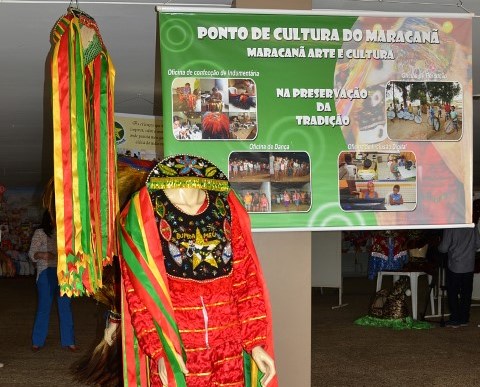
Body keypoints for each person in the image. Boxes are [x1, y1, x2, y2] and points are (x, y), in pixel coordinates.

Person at [119, 155, 276, 386]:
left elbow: (246, 280)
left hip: (229, 347)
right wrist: (160, 350)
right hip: (180, 347)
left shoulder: (226, 206)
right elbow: (140, 294)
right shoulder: (145, 212)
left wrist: (255, 341)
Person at [28, 210, 77, 352]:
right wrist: (44, 254)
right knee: (44, 307)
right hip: (46, 272)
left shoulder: (67, 232)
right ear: (48, 217)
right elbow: (32, 254)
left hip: (64, 273)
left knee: (65, 306)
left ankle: (69, 341)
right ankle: (37, 341)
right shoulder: (40, 232)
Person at [438, 218, 480, 328]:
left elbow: (444, 248)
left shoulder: (451, 225)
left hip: (455, 265)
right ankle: (464, 318)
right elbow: (478, 244)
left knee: (453, 291)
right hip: (469, 264)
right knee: (466, 292)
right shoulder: (472, 225)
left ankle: (455, 318)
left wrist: (437, 247)